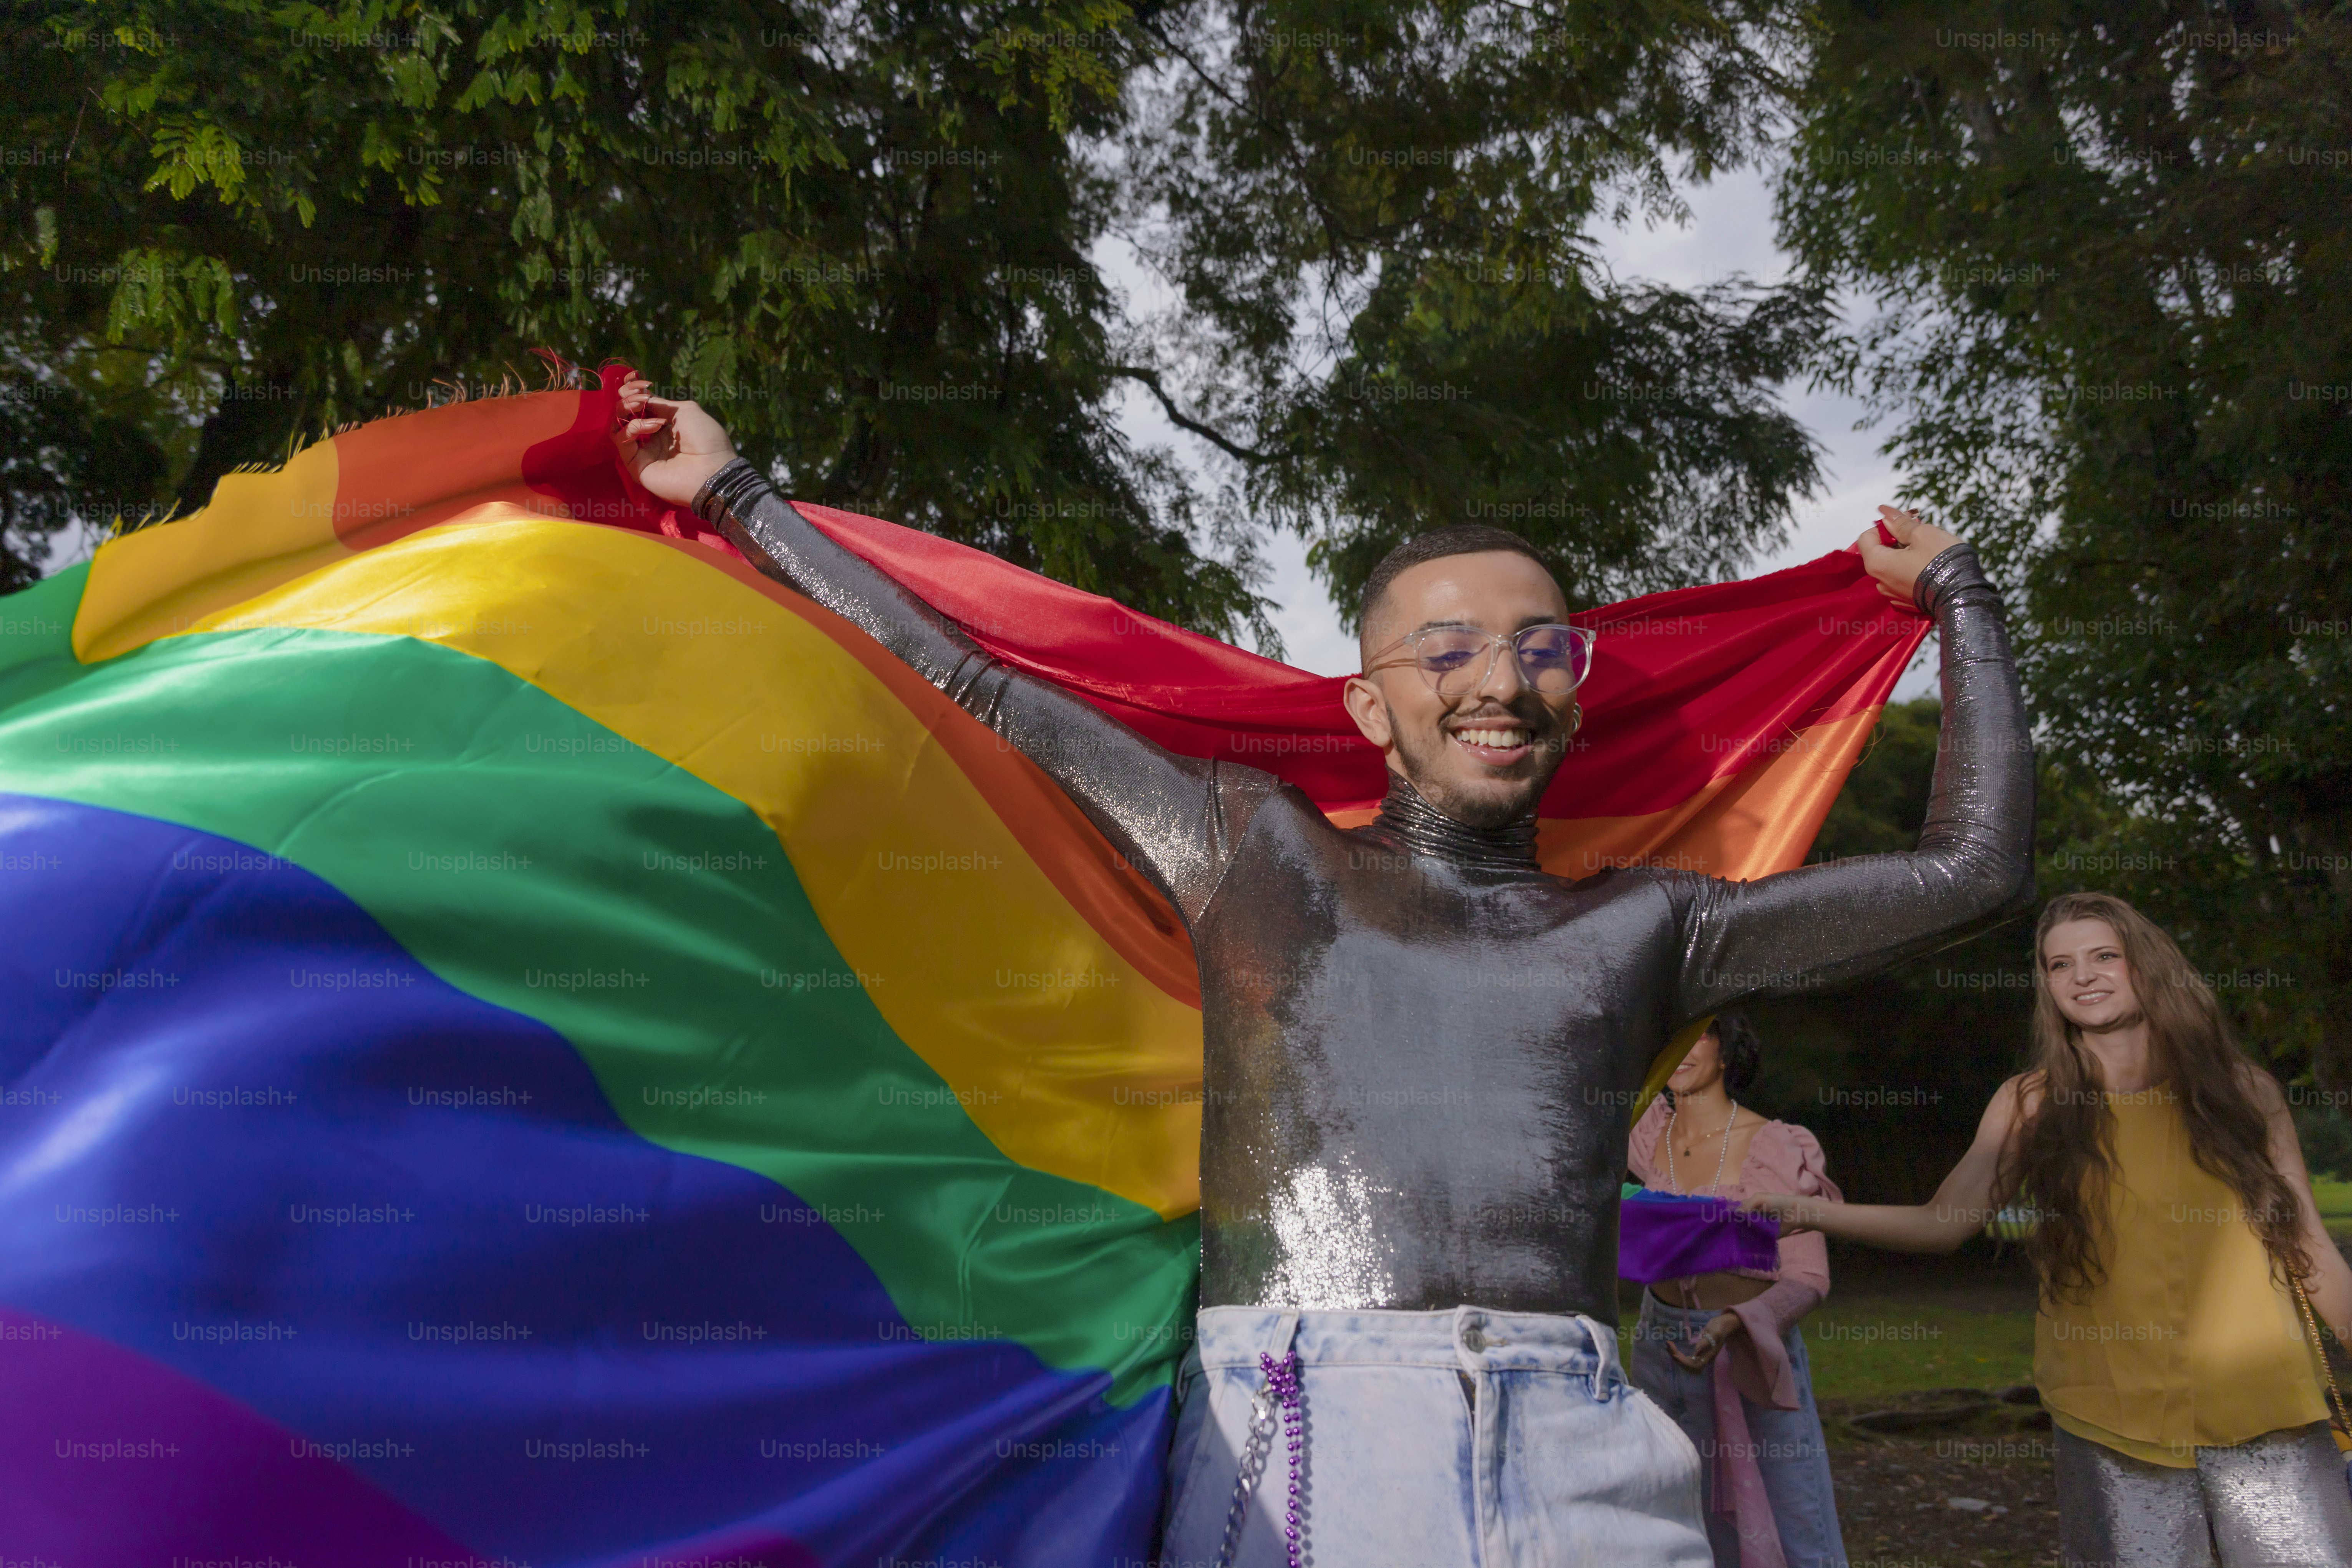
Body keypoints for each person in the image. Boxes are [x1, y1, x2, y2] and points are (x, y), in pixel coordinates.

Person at [610, 378, 2034, 1567]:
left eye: (1542, 647)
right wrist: (738, 497)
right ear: (1371, 701)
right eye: (1449, 646)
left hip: (1588, 1453)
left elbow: (1966, 876)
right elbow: (972, 683)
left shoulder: (1650, 927)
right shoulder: (1254, 852)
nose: (1500, 676)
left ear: (1573, 691)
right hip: (1302, 1446)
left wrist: (1960, 594)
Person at [1746, 891, 2352, 1566]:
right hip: (2112, 1413)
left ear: (2146, 965)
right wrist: (1804, 1212)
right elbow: (1945, 1222)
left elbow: (2305, 1244)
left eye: (2103, 956)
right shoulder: (2031, 1102)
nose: (2082, 976)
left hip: (2260, 1402)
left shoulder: (2245, 1091)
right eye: (2060, 964)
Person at [1628, 1013, 1848, 1568]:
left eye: (1697, 1034)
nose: (1679, 1049)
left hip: (1747, 1351)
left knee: (1792, 1524)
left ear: (1726, 1049)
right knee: (1675, 1524)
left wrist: (1733, 1323)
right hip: (1657, 1350)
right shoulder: (1646, 1130)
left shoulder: (1773, 1144)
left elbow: (1809, 1278)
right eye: (1668, 1036)